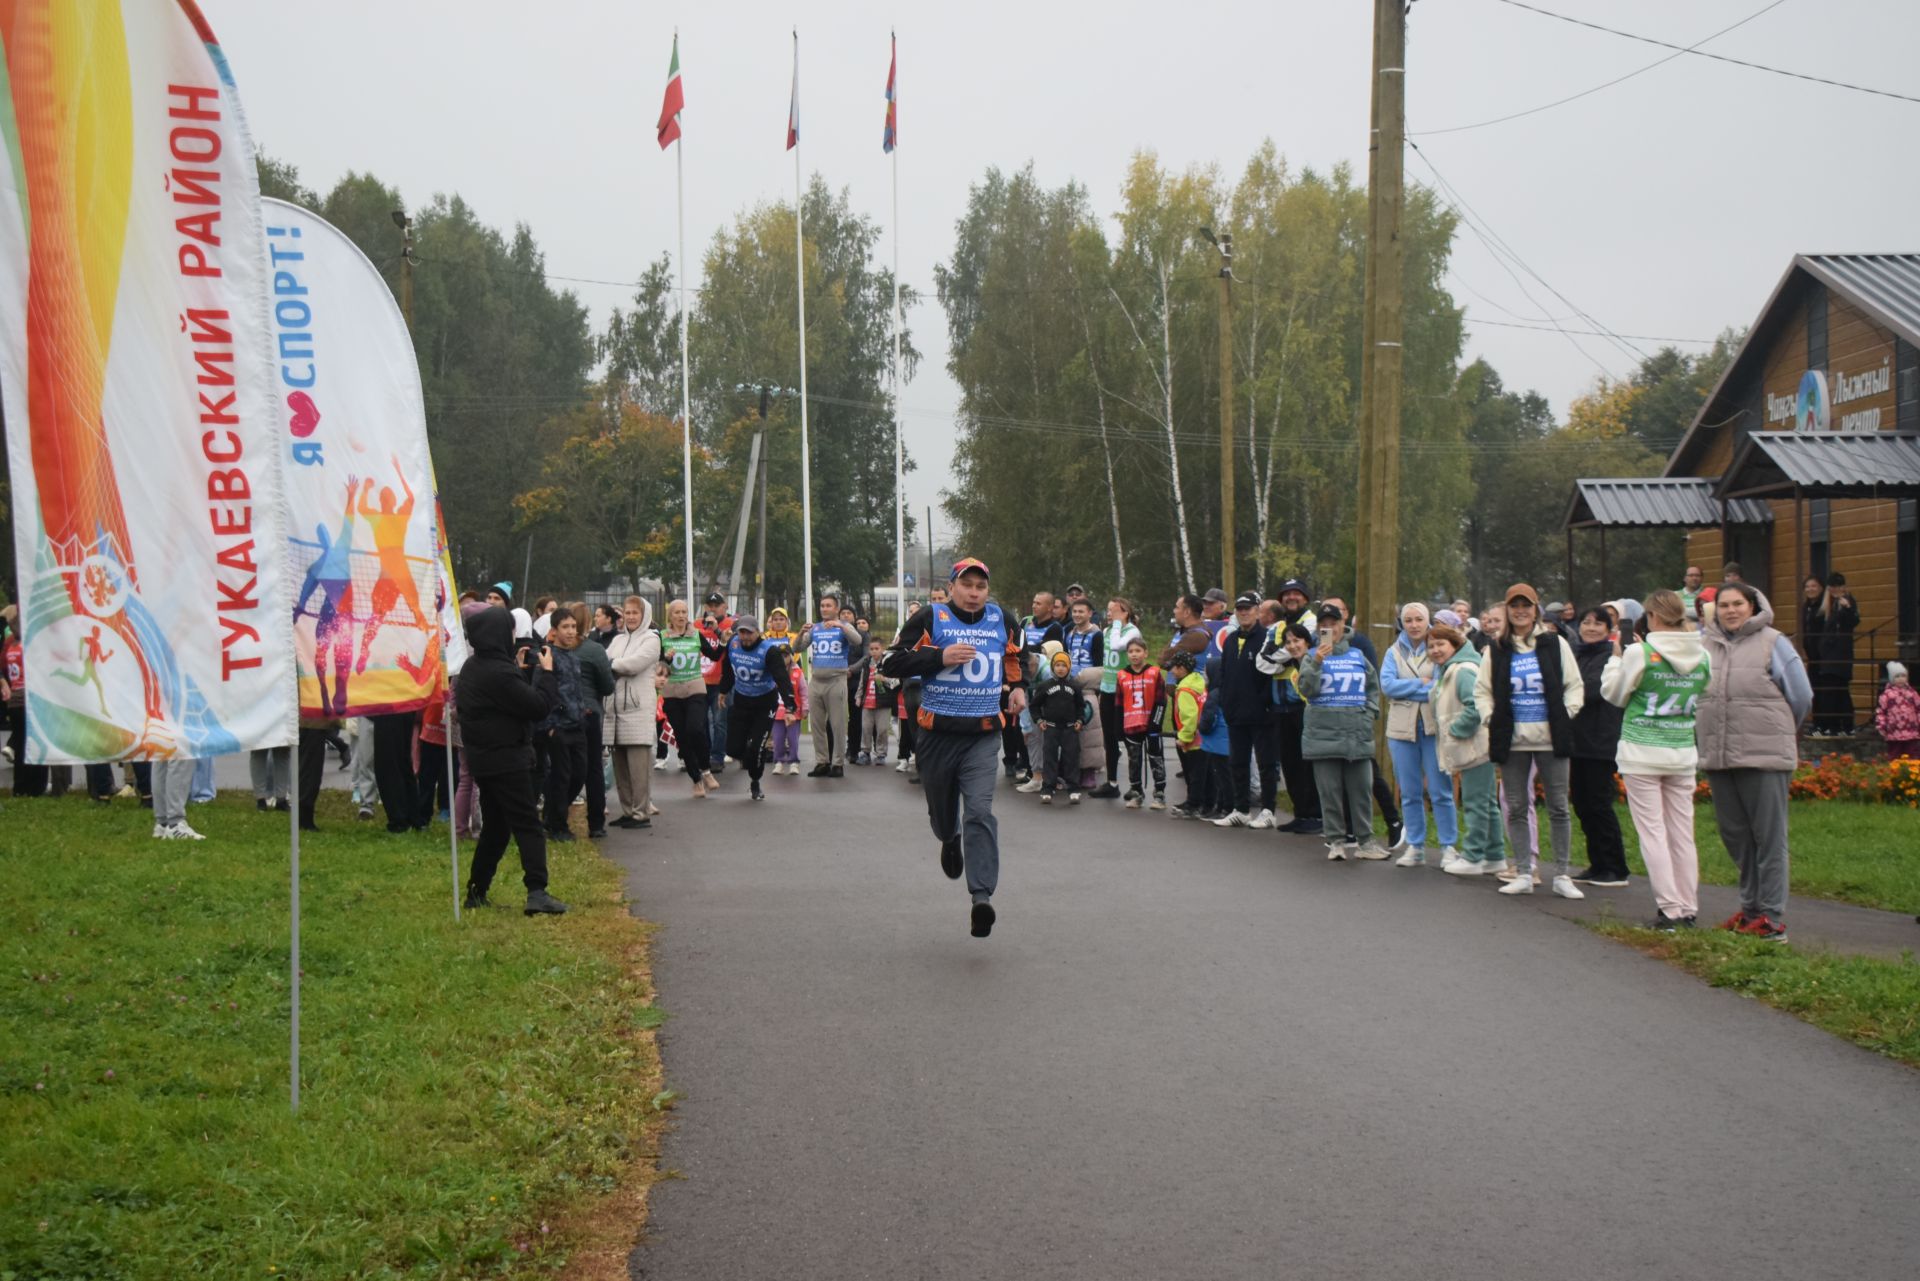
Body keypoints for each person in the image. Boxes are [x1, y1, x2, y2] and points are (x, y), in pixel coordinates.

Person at [879, 558, 1027, 938]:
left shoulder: (1002, 619)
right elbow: (891, 662)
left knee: (979, 811)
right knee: (945, 817)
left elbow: (1015, 657)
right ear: (953, 586)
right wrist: (938, 657)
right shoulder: (932, 618)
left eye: (981, 586)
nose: (975, 593)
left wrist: (1018, 688)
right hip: (937, 736)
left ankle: (981, 898)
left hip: (982, 735)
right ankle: (948, 838)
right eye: (967, 585)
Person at [1697, 582, 1811, 942]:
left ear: (1753, 606)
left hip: (1764, 757)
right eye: (1725, 605)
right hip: (1720, 755)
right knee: (1737, 837)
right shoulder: (1706, 646)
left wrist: (1776, 729)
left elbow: (1801, 695)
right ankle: (1751, 911)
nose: (1731, 611)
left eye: (1738, 604)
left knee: (1768, 837)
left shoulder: (1774, 642)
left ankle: (1772, 918)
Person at [1602, 589, 1708, 929]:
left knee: (1653, 834)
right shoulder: (1704, 656)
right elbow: (1705, 691)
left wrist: (1614, 661)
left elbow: (1615, 695)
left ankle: (1669, 908)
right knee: (1682, 833)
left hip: (1641, 751)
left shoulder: (1641, 652)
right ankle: (1688, 907)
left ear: (1654, 617)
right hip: (1680, 750)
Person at [457, 605, 567, 915]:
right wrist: (546, 673)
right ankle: (537, 891)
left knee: (497, 827)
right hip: (507, 760)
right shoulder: (498, 672)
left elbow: (504, 701)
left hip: (485, 761)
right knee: (528, 825)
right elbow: (537, 706)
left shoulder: (473, 667)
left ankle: (476, 890)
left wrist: (519, 671)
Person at [1476, 583, 1585, 899]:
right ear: (1507, 610)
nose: (1520, 611)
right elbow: (1482, 690)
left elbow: (1574, 685)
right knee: (1517, 807)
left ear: (1535, 609)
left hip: (1552, 739)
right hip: (1513, 741)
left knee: (1559, 806)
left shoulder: (1554, 644)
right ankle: (1524, 871)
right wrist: (1491, 718)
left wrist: (1564, 716)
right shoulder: (1497, 649)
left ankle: (1562, 874)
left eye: (1526, 605)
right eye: (1514, 606)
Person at [1297, 603, 1385, 860]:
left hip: (1355, 733)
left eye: (1333, 623)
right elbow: (1306, 689)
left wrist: (1370, 712)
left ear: (1341, 626)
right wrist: (1316, 661)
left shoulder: (1358, 655)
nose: (1329, 628)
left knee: (1361, 790)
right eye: (1323, 624)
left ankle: (1366, 842)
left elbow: (1372, 686)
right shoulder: (1311, 655)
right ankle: (1335, 841)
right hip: (1322, 735)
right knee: (1329, 791)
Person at [1380, 602, 1459, 867]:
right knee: (1410, 792)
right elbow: (1387, 686)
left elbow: (1438, 688)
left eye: (1419, 619)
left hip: (1433, 728)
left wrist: (1413, 689)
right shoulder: (1394, 652)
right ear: (1401, 623)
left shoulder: (1437, 647)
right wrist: (1419, 684)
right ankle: (1415, 845)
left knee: (1440, 791)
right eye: (1408, 620)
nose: (1414, 625)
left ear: (1428, 621)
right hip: (1401, 730)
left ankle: (1449, 846)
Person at [1322, 595, 1404, 848]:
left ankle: (1393, 821)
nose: (1331, 624)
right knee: (1338, 775)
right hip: (1329, 723)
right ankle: (1345, 830)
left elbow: (1372, 680)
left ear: (1346, 615)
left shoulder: (1359, 643)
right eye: (1325, 619)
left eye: (1338, 613)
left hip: (1356, 721)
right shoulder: (1319, 646)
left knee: (1369, 772)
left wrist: (1368, 712)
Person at [1429, 624, 1504, 875]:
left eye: (1441, 644)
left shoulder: (1462, 671)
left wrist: (1455, 730)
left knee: (1475, 802)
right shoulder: (1449, 670)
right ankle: (1494, 855)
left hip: (1475, 746)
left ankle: (1473, 857)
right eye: (1431, 646)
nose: (1436, 650)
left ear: (1456, 645)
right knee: (1486, 802)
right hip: (1473, 747)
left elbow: (1476, 705)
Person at [1567, 606, 1629, 889]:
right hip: (1576, 740)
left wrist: (1565, 691)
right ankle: (1597, 863)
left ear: (1608, 629)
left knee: (1599, 804)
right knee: (1582, 803)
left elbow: (1594, 690)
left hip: (1600, 740)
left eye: (1597, 624)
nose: (1591, 628)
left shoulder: (1612, 656)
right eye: (1586, 623)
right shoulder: (1576, 654)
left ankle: (1615, 867)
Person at [1213, 593, 1278, 829]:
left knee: (1266, 764)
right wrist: (1225, 700)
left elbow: (1271, 675)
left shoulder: (1266, 638)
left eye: (1248, 608)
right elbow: (1224, 672)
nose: (1243, 612)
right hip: (1235, 712)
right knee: (1237, 762)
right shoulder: (1230, 640)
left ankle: (1268, 809)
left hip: (1262, 714)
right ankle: (1240, 809)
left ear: (1258, 610)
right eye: (1240, 609)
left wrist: (1265, 702)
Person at [717, 616, 798, 801]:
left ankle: (755, 781)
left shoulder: (769, 650)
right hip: (742, 700)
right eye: (742, 632)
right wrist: (723, 691)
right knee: (733, 749)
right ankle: (749, 748)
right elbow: (728, 669)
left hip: (764, 703)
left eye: (749, 633)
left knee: (756, 750)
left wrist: (790, 707)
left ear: (758, 632)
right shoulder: (733, 644)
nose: (745, 637)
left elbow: (782, 679)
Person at [1257, 622, 1322, 833]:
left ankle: (1315, 815)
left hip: (1304, 712)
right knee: (1289, 764)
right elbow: (1263, 662)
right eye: (1288, 642)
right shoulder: (1288, 663)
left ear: (1307, 642)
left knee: (1307, 765)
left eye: (1297, 640)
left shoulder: (1312, 662)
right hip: (1281, 711)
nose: (1292, 645)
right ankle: (1300, 813)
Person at [604, 596, 662, 830]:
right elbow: (607, 661)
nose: (630, 617)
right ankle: (628, 810)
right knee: (620, 765)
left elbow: (633, 665)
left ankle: (641, 812)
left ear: (644, 615)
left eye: (635, 613)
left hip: (638, 710)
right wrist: (614, 662)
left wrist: (612, 663)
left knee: (639, 767)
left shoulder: (651, 639)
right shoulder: (618, 640)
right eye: (627, 613)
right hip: (615, 710)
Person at [656, 599, 721, 797]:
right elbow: (657, 666)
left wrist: (723, 639)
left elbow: (715, 656)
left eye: (684, 612)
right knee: (682, 736)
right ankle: (696, 780)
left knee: (695, 728)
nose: (681, 616)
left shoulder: (696, 635)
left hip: (695, 687)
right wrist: (665, 658)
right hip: (673, 691)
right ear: (670, 616)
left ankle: (706, 770)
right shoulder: (663, 636)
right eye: (677, 612)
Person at [540, 609, 591, 842]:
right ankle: (557, 825)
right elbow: (542, 691)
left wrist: (582, 710)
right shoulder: (548, 656)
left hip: (576, 723)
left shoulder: (573, 657)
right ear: (554, 631)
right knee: (561, 776)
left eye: (573, 626)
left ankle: (552, 814)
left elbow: (575, 688)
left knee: (578, 775)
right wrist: (549, 725)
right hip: (557, 726)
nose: (571, 631)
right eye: (565, 627)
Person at [796, 596, 861, 777]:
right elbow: (797, 648)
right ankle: (821, 761)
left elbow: (857, 641)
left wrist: (841, 625)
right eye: (822, 605)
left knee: (837, 724)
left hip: (836, 680)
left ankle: (838, 763)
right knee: (816, 724)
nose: (824, 609)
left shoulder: (844, 627)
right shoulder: (815, 628)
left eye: (828, 606)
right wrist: (801, 633)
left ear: (836, 608)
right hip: (816, 680)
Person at [569, 602, 617, 838]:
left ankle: (556, 814)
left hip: (562, 715)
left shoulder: (555, 649)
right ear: (587, 622)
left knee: (561, 767)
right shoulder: (594, 650)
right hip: (590, 713)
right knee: (593, 769)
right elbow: (608, 686)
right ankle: (596, 823)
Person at [1116, 638, 1167, 810]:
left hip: (1151, 724)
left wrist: (1156, 723)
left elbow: (1161, 700)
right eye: (1131, 651)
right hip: (1131, 725)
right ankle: (1136, 791)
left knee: (1156, 758)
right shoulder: (1121, 675)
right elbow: (1118, 703)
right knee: (1134, 760)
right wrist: (1118, 727)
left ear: (1145, 653)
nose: (1134, 654)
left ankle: (1159, 793)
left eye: (1138, 651)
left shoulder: (1154, 672)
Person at [1099, 598, 1144, 790]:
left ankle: (1136, 786)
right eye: (1108, 610)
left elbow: (1118, 646)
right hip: (1107, 689)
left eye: (1114, 611)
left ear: (1125, 613)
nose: (1109, 614)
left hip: (1124, 692)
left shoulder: (1131, 631)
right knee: (1108, 738)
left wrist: (1118, 623)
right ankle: (1112, 782)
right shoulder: (1107, 631)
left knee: (1127, 737)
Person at [1808, 571, 1860, 734]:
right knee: (1833, 690)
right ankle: (1836, 726)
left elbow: (1853, 622)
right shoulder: (1828, 604)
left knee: (1838, 690)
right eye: (1833, 587)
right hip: (1829, 655)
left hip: (1839, 655)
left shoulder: (1846, 602)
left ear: (1843, 587)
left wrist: (1848, 608)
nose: (1835, 590)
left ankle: (1842, 725)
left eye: (1838, 587)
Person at [1030, 649, 1083, 803]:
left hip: (1070, 728)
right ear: (1053, 666)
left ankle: (1073, 789)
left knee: (1071, 757)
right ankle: (1048, 788)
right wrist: (1039, 720)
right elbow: (1034, 706)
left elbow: (1081, 706)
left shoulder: (1075, 686)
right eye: (1058, 665)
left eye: (1064, 665)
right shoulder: (1044, 686)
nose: (1060, 668)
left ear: (1069, 667)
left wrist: (1080, 720)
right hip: (1051, 728)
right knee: (1050, 758)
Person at [1166, 650, 1208, 818]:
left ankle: (1194, 805)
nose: (1171, 672)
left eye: (1174, 668)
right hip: (1204, 738)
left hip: (1193, 740)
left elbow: (1189, 717)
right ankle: (1195, 801)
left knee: (1195, 774)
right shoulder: (1197, 683)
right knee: (1200, 773)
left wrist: (1183, 738)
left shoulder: (1184, 690)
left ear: (1182, 669)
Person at [698, 593, 735, 772]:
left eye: (717, 605)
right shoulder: (697, 625)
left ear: (725, 606)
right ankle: (703, 755)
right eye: (710, 605)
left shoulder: (731, 624)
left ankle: (717, 756)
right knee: (702, 721)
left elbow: (735, 644)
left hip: (722, 681)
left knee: (720, 721)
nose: (713, 609)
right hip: (700, 681)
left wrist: (717, 631)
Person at [857, 639, 898, 764]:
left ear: (882, 649)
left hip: (883, 702)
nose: (874, 652)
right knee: (866, 728)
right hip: (867, 702)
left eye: (877, 649)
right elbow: (862, 681)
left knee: (882, 729)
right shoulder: (866, 663)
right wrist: (859, 696)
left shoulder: (888, 663)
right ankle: (865, 752)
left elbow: (895, 682)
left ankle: (881, 754)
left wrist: (883, 679)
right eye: (871, 649)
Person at [770, 651, 807, 775]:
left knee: (792, 739)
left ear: (791, 657)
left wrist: (805, 709)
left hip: (793, 713)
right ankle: (778, 762)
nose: (783, 658)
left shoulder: (798, 673)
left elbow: (803, 692)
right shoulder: (771, 672)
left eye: (785, 655)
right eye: (780, 655)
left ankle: (793, 762)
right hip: (777, 713)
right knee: (778, 739)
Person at [1159, 594, 1213, 673]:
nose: (1174, 611)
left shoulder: (1197, 635)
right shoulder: (1182, 631)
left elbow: (1164, 659)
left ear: (1187, 612)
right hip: (1178, 684)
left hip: (1189, 684)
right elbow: (1162, 658)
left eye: (1177, 607)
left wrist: (1165, 658)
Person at [1876, 662, 1919, 758]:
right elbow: (1881, 711)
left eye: (1903, 676)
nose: (1900, 679)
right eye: (1897, 676)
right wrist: (1882, 726)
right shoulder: (1887, 695)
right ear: (1892, 679)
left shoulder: (1912, 693)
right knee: (1894, 754)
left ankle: (1913, 771)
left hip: (1911, 732)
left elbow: (1918, 709)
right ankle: (1894, 772)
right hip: (1893, 732)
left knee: (1912, 755)